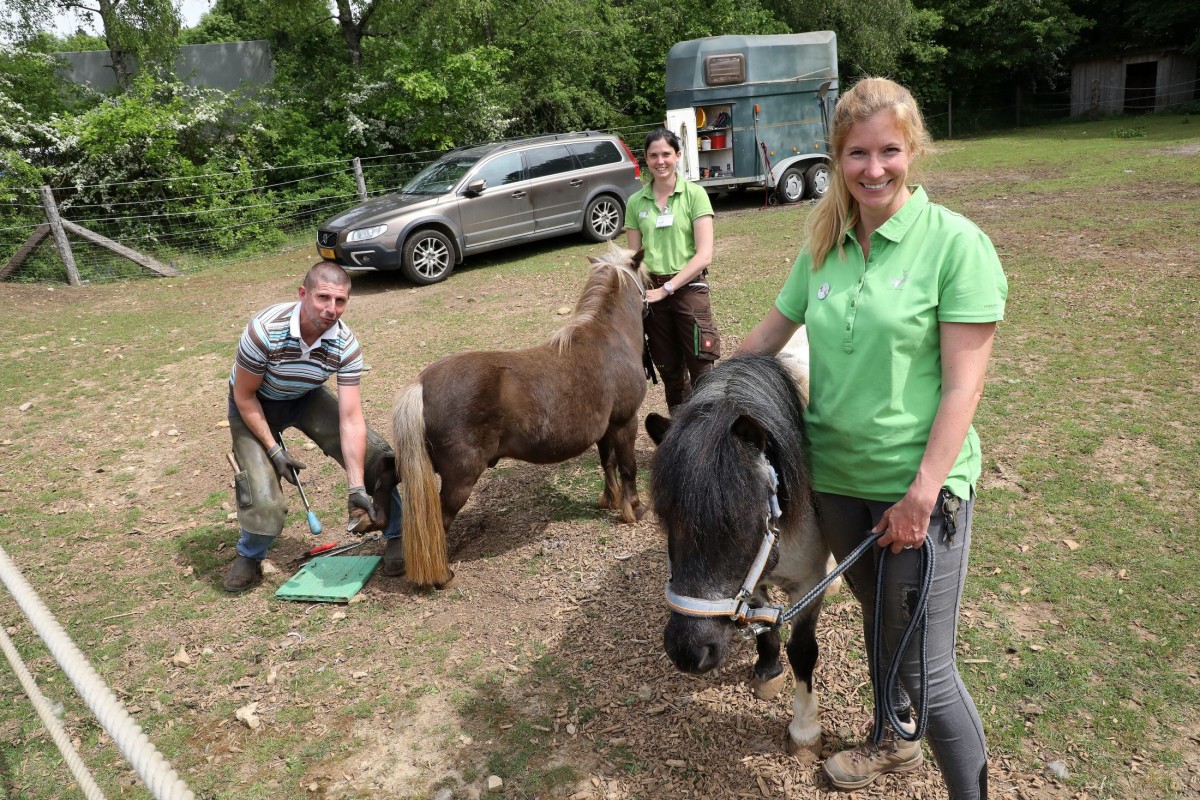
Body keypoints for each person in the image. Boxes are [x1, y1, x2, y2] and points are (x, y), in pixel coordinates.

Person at [738, 78, 1007, 799]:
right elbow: (770, 334)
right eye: (858, 152)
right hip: (834, 483)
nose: (874, 168)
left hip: (915, 490)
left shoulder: (955, 244)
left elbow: (963, 386)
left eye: (889, 149)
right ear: (838, 156)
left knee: (928, 667)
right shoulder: (824, 242)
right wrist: (715, 394)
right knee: (879, 619)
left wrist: (923, 493)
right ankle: (893, 739)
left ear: (912, 149)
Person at [223, 261, 402, 593]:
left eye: (340, 301)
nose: (331, 310)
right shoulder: (264, 331)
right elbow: (245, 397)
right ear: (303, 294)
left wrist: (355, 488)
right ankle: (250, 553)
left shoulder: (345, 346)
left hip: (305, 396)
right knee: (264, 499)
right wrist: (275, 451)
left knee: (378, 458)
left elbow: (350, 419)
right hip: (254, 403)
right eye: (323, 298)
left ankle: (396, 533)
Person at [625, 127, 721, 411]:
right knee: (669, 372)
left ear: (678, 155)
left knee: (702, 369)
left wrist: (668, 288)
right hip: (652, 296)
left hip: (688, 289)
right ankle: (679, 438)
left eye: (666, 153)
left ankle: (709, 435)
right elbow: (634, 259)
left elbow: (704, 256)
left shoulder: (695, 195)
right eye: (653, 155)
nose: (660, 161)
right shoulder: (635, 203)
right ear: (646, 159)